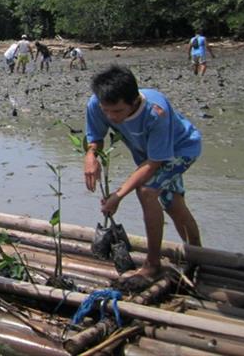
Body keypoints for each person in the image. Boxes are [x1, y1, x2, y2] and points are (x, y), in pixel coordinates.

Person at [83, 65, 202, 286]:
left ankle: (153, 265)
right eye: (106, 110)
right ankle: (197, 255)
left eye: (117, 111)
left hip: (180, 150)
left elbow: (156, 162)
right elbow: (96, 137)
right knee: (173, 203)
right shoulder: (97, 104)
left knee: (147, 191)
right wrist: (91, 155)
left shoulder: (156, 111)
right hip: (148, 155)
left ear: (134, 100)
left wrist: (118, 195)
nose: (110, 116)